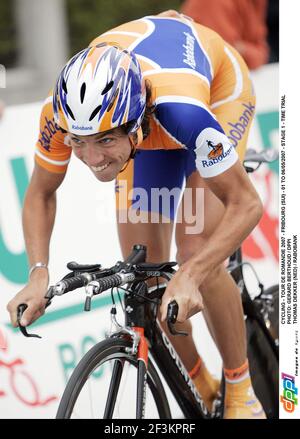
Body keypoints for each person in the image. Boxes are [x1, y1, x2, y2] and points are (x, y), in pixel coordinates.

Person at [7, 11, 266, 418]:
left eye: (105, 141)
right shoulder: (60, 115)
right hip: (144, 116)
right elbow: (40, 193)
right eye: (80, 143)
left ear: (136, 127)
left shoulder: (183, 113)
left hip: (217, 92)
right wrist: (38, 273)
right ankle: (201, 385)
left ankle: (240, 391)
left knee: (195, 248)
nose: (93, 160)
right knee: (145, 271)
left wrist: (192, 273)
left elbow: (247, 204)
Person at [180, 0, 270, 70]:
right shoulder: (213, 3)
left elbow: (261, 51)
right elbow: (226, 54)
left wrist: (247, 51)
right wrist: (250, 52)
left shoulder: (255, 3)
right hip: (204, 81)